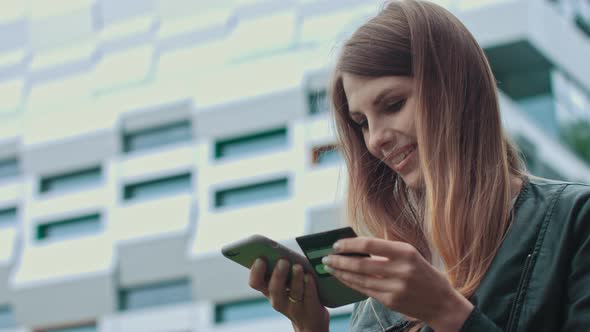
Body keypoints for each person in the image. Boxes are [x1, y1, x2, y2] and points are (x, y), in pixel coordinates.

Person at [249, 0, 590, 331]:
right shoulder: (383, 283)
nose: (375, 140)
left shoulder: (575, 221)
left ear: (455, 88)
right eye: (362, 122)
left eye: (394, 104)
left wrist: (445, 310)